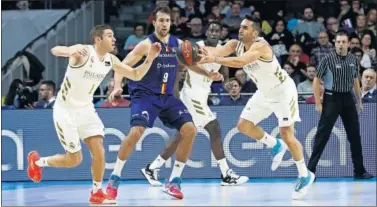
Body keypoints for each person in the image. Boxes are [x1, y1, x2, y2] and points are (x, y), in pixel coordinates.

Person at [26, 24, 162, 204]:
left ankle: (97, 192)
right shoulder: (83, 52)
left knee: (99, 151)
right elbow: (55, 49)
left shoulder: (111, 60)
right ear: (98, 39)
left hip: (86, 110)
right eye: (110, 36)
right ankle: (37, 162)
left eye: (114, 36)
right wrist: (68, 51)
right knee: (74, 159)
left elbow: (136, 74)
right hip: (65, 110)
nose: (114, 39)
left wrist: (150, 58)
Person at [105, 6, 223, 200]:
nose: (164, 24)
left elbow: (190, 64)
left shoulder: (178, 45)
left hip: (167, 97)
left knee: (190, 130)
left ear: (171, 23)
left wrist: (209, 73)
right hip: (144, 95)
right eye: (161, 20)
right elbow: (121, 66)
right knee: (136, 132)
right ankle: (114, 178)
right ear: (154, 22)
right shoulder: (146, 44)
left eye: (167, 21)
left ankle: (174, 181)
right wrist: (117, 85)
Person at [197, 15, 315, 200]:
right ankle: (274, 145)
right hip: (264, 92)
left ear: (255, 32)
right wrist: (197, 51)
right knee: (243, 126)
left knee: (287, 134)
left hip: (283, 91)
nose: (240, 29)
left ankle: (304, 174)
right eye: (241, 27)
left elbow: (240, 62)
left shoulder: (260, 45)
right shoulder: (235, 43)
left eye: (245, 27)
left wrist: (214, 59)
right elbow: (218, 50)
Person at [141, 21, 249, 187]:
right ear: (206, 32)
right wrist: (175, 93)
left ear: (221, 33)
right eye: (211, 29)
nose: (213, 32)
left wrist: (225, 82)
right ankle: (226, 174)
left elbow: (225, 75)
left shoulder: (222, 50)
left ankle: (152, 167)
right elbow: (178, 67)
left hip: (202, 96)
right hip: (191, 96)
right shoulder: (194, 47)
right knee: (214, 128)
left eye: (217, 30)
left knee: (181, 136)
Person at [307, 31, 374, 180]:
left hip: (348, 98)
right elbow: (317, 80)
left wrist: (359, 100)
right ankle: (310, 171)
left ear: (349, 44)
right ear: (335, 43)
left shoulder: (353, 59)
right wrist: (318, 102)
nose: (341, 45)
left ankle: (359, 171)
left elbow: (356, 80)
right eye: (338, 42)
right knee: (322, 136)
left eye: (344, 42)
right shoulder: (327, 59)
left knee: (355, 135)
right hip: (331, 98)